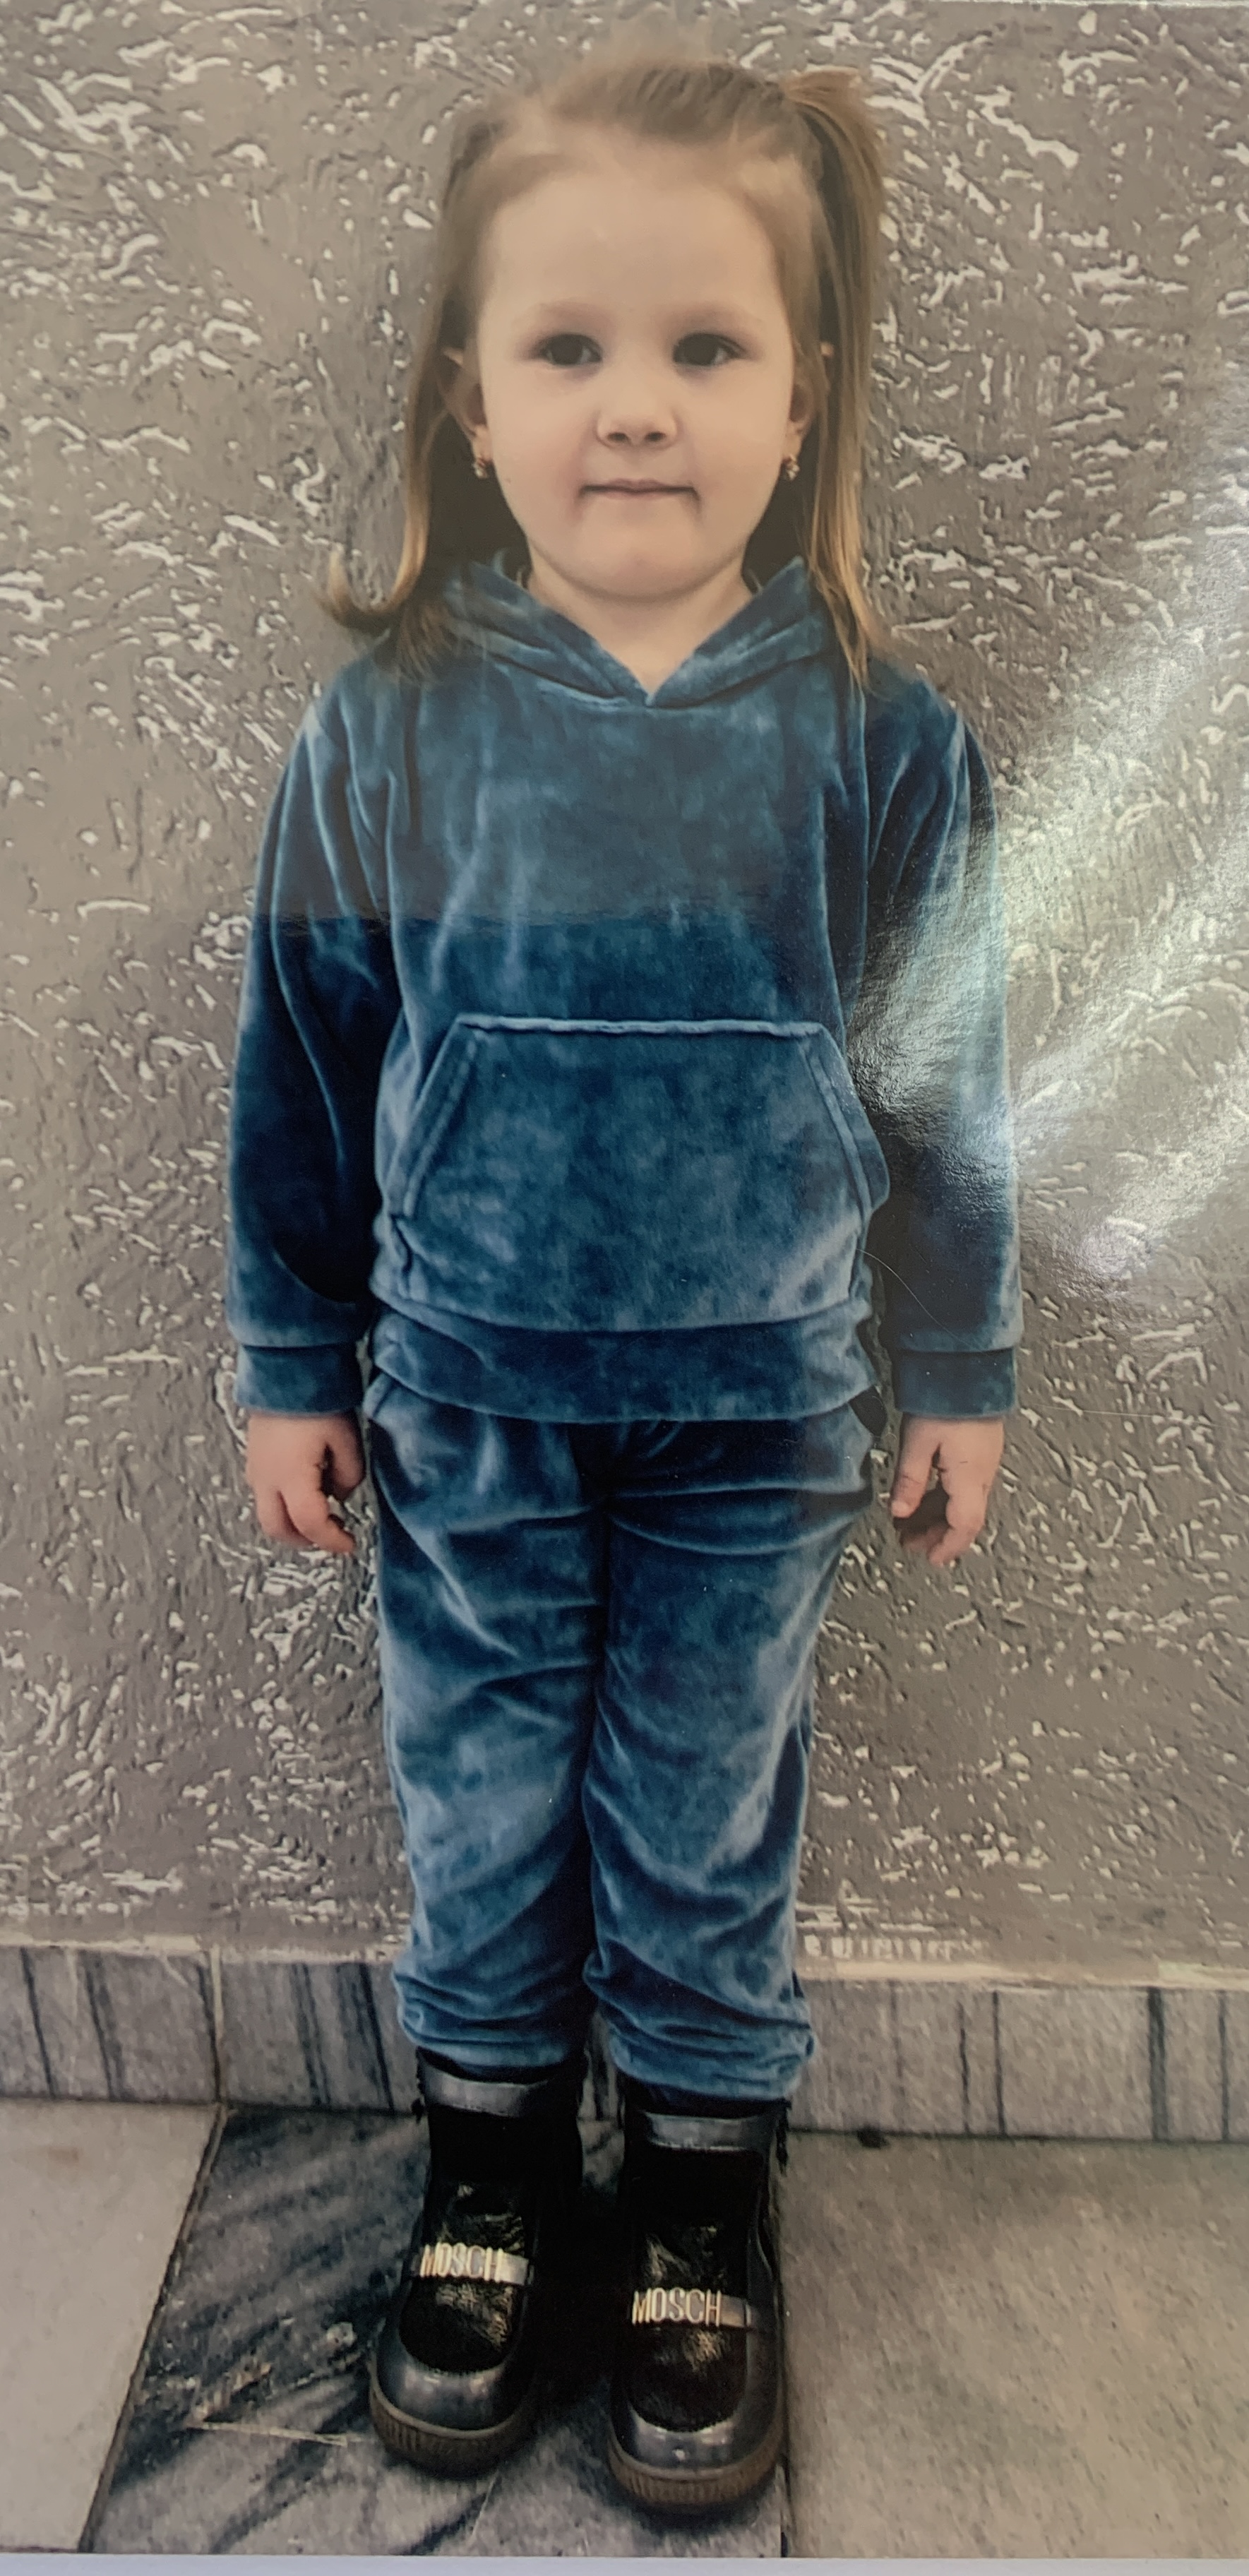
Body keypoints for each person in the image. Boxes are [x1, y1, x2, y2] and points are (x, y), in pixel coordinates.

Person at [225, 34, 1022, 2517]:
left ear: (803, 396)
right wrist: (288, 1354)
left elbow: (949, 1084)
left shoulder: (885, 744)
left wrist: (957, 1360)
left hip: (756, 1416)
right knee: (479, 1802)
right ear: (474, 406)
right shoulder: (393, 727)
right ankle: (487, 2168)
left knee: (699, 1812)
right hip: (462, 1400)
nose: (637, 406)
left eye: (703, 345)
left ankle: (691, 2191)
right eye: (568, 347)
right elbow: (301, 1059)